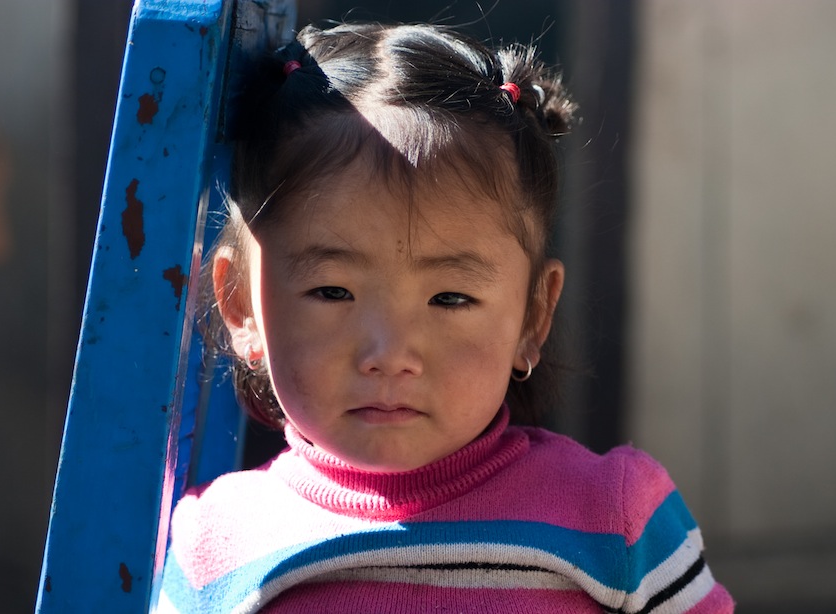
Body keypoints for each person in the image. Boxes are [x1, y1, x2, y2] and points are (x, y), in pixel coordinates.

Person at [157, 21, 734, 613]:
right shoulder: (215, 546)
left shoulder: (616, 522)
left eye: (450, 299)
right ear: (241, 305)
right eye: (333, 292)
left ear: (533, 317)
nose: (389, 354)